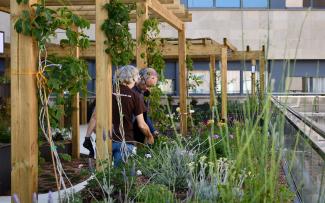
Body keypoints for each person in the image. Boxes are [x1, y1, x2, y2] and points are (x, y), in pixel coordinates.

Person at [83, 65, 154, 166]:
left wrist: (87, 138)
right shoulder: (136, 96)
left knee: (103, 176)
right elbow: (142, 124)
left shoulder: (106, 92)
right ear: (134, 78)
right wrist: (150, 136)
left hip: (105, 140)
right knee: (122, 177)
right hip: (125, 141)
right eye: (137, 76)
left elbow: (95, 117)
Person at [132, 68, 159, 143]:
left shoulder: (142, 92)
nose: (148, 89)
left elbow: (143, 114)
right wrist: (150, 134)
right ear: (140, 79)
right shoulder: (133, 93)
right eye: (147, 85)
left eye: (151, 87)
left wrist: (153, 130)